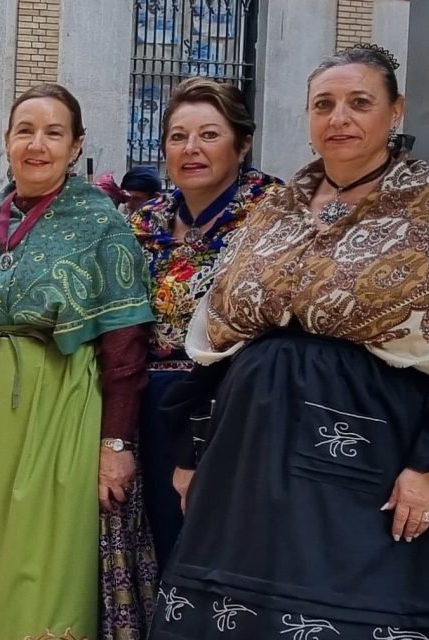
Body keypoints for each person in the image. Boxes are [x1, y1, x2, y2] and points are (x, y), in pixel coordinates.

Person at [157, 44, 429, 639]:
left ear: (396, 112)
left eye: (359, 102)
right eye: (324, 104)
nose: (338, 118)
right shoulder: (276, 211)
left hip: (373, 460)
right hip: (250, 461)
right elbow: (223, 345)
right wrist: (193, 453)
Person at [0, 84, 157, 639]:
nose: (37, 144)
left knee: (42, 562)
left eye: (53, 132)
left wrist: (115, 444)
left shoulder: (103, 226)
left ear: (76, 147)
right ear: (7, 140)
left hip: (58, 407)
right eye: (25, 130)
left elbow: (125, 350)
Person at [125, 76, 281, 562]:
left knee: (223, 549)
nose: (191, 149)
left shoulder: (273, 216)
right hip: (145, 409)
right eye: (178, 136)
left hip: (233, 405)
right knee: (156, 543)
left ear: (243, 143)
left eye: (209, 134)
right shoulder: (141, 222)